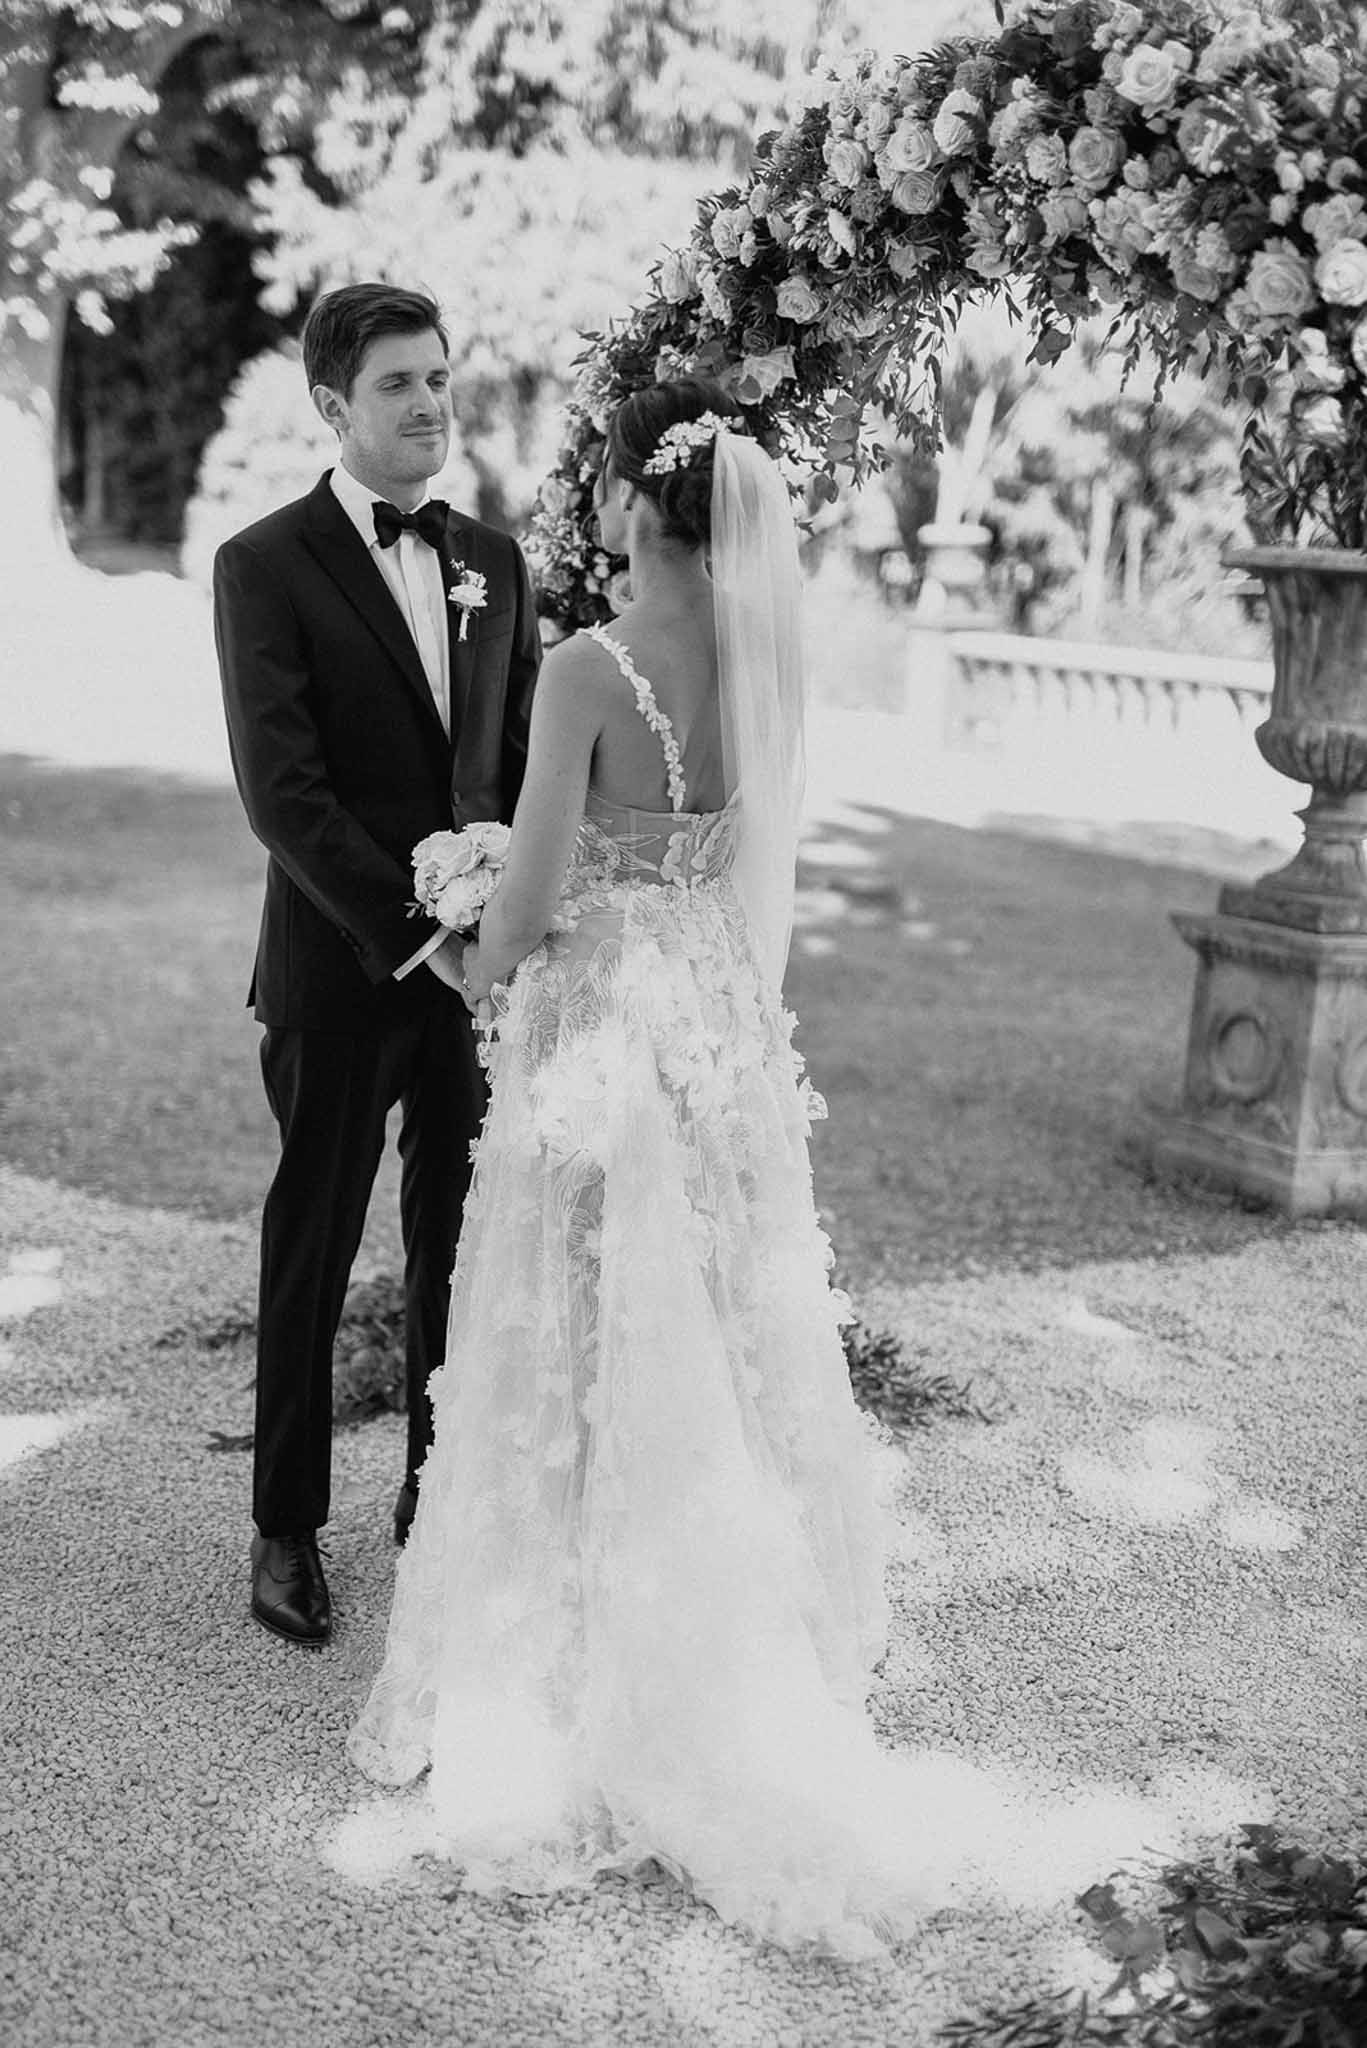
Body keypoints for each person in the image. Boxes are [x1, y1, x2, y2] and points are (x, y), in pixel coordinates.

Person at [346, 379, 944, 1954]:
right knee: (714, 1317)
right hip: (715, 1025)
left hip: (606, 1026)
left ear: (628, 498)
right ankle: (729, 1615)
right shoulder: (762, 659)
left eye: (603, 483)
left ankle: (584, 1652)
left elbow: (538, 892)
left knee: (586, 1312)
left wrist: (469, 934)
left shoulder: (587, 669)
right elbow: (733, 859)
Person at [214, 283, 540, 1648]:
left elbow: (518, 763)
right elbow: (282, 797)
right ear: (332, 404)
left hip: (481, 977)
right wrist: (421, 937)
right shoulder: (264, 564)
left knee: (461, 1240)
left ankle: (435, 1494)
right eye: (399, 383)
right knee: (317, 1239)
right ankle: (285, 1526)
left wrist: (501, 927)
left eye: (439, 377)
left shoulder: (496, 562)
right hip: (341, 967)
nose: (428, 404)